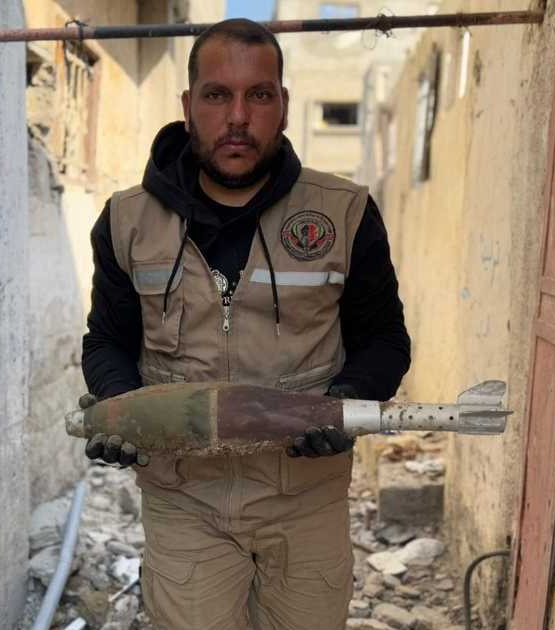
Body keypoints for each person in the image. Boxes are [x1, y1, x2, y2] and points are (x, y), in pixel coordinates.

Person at [80, 18, 411, 629]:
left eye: (258, 95)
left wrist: (341, 406)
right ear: (188, 107)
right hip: (185, 502)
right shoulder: (127, 221)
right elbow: (107, 341)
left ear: (282, 105)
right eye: (217, 95)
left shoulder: (343, 212)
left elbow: (386, 340)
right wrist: (121, 409)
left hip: (305, 500)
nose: (238, 117)